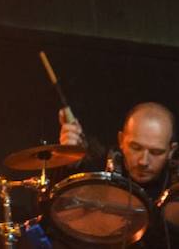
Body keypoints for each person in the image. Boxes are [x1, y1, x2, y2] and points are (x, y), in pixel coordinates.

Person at [56, 102, 178, 247]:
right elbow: (60, 209)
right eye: (136, 147)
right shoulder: (100, 170)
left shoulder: (175, 185)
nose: (143, 161)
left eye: (156, 152)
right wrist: (67, 160)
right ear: (121, 140)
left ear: (171, 150)